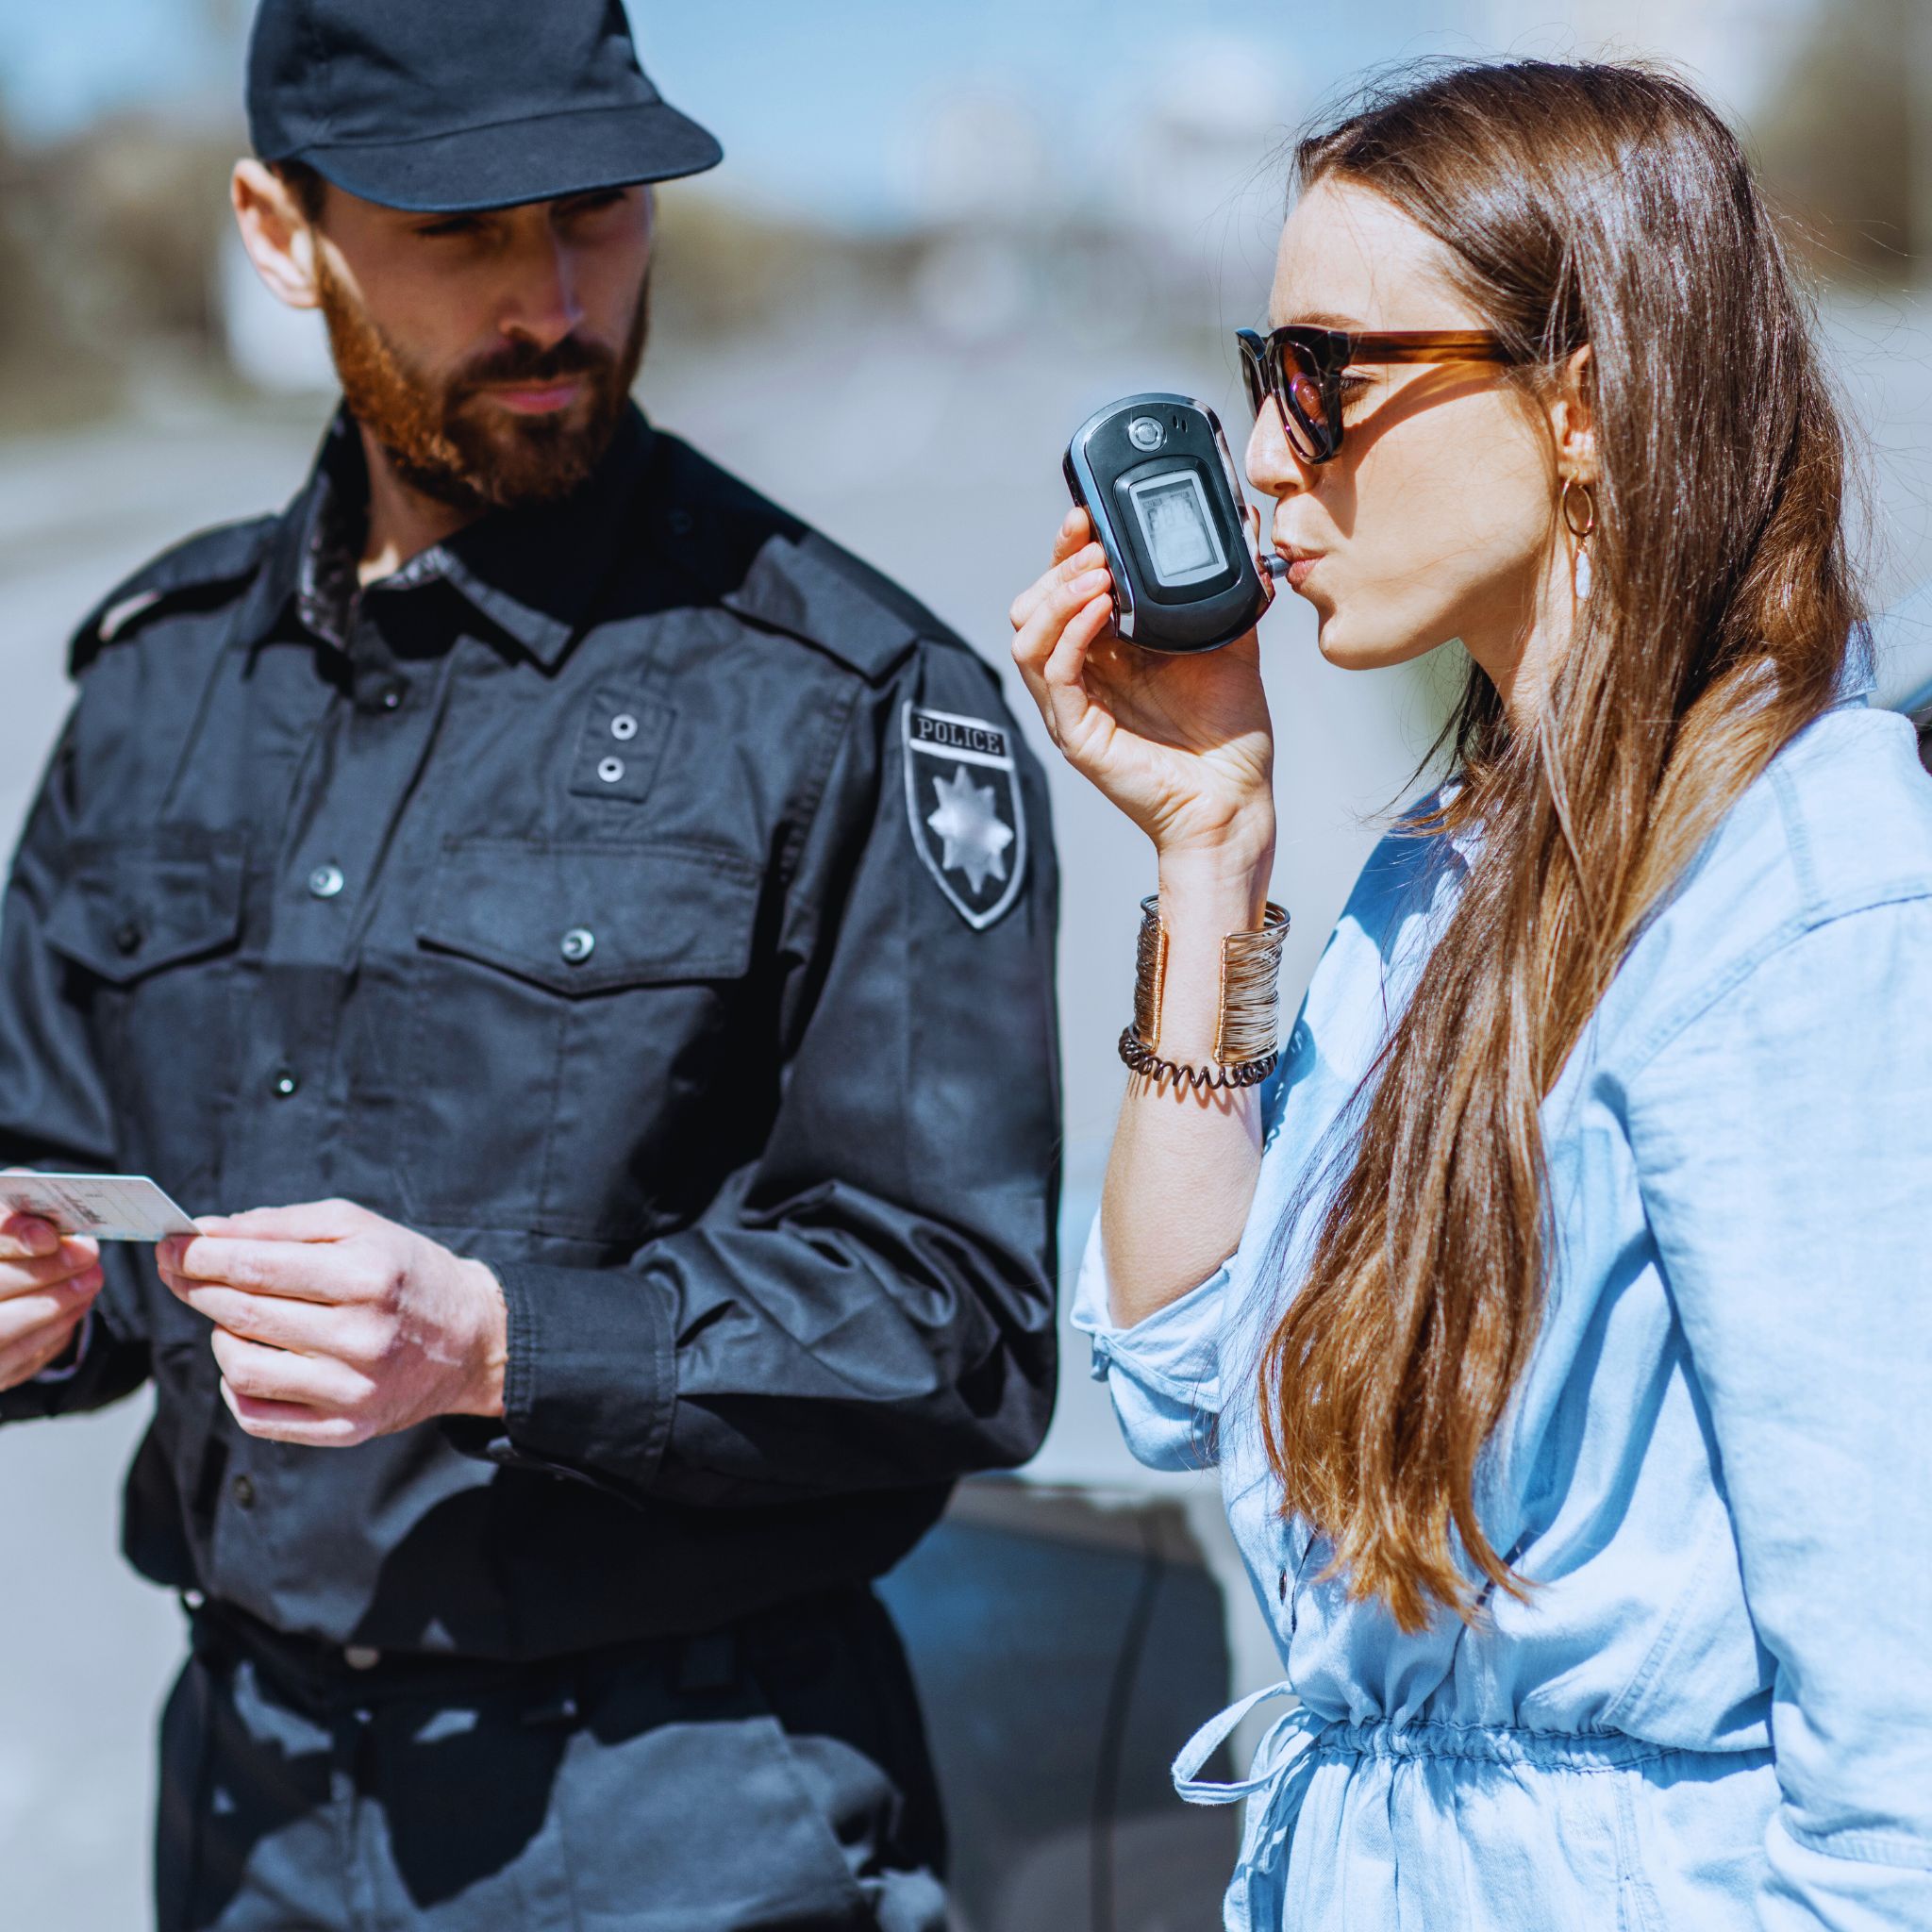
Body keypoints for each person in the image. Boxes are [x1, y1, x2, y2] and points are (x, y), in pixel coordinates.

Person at [0, 1, 1060, 1925]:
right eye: (462, 233)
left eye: (596, 215)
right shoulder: (150, 696)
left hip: (685, 1815)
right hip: (240, 1809)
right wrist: (40, 1311)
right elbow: (58, 1194)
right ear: (276, 227)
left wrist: (499, 1344)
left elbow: (958, 1326)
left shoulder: (845, 696)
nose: (556, 299)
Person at [1010, 58, 1932, 1932]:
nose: (1265, 457)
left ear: (1581, 403)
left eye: (1321, 377)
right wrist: (1211, 848)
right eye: (1258, 373)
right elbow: (1181, 1369)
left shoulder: (1810, 898)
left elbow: (1900, 1769)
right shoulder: (1443, 877)